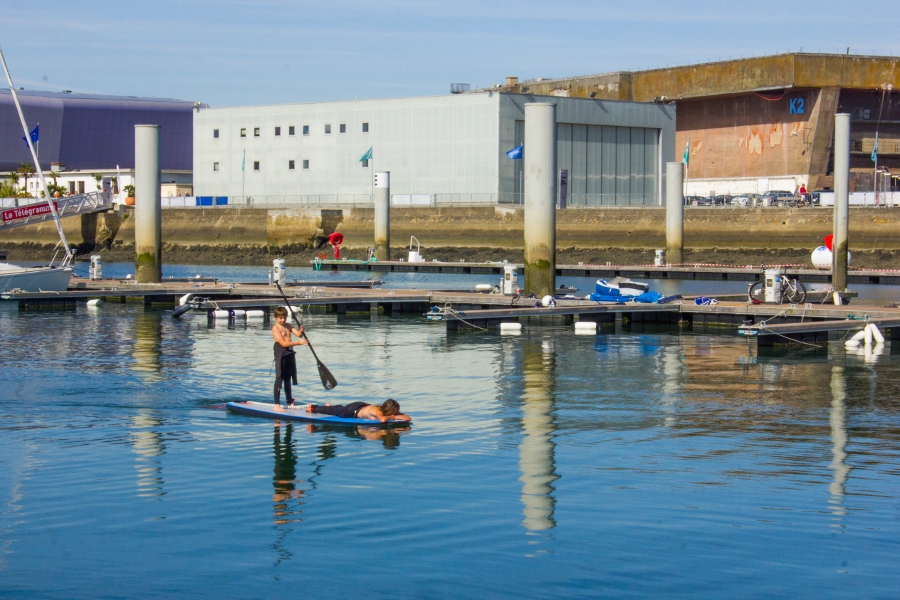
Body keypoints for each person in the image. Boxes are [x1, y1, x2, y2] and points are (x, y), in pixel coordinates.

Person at [271, 306, 308, 406]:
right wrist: (299, 343)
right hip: (281, 353)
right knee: (279, 378)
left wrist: (300, 331)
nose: (283, 320)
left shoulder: (287, 325)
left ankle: (289, 401)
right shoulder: (275, 328)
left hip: (289, 353)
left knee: (288, 378)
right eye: (280, 318)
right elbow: (283, 343)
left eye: (284, 317)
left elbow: (298, 335)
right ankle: (277, 404)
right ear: (276, 318)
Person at [305, 399, 411, 423]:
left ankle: (327, 406)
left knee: (338, 408)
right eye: (394, 411)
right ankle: (313, 408)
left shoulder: (387, 410)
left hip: (360, 405)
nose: (395, 413)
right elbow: (383, 420)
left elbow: (408, 418)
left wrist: (395, 415)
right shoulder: (377, 410)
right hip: (351, 411)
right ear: (389, 409)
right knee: (337, 411)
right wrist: (394, 417)